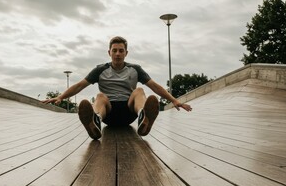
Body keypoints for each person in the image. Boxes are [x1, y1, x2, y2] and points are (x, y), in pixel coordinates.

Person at [42, 36, 192, 140]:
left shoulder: (135, 69)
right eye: (115, 50)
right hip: (108, 113)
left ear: (126, 53)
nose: (118, 54)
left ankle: (143, 117)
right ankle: (95, 121)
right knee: (100, 96)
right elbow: (80, 85)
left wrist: (174, 101)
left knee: (139, 91)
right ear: (109, 52)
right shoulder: (100, 70)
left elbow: (155, 86)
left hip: (129, 111)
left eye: (121, 51)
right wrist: (61, 97)